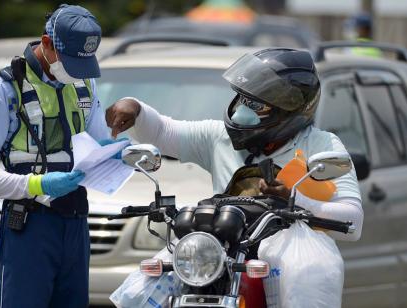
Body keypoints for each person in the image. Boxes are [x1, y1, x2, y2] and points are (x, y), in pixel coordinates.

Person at [106, 48, 364, 242]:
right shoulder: (219, 137)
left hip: (290, 254)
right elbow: (163, 131)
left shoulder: (321, 145)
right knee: (151, 278)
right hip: (218, 251)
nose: (243, 110)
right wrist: (134, 108)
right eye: (243, 99)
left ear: (291, 109)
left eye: (256, 105)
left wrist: (295, 200)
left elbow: (353, 221)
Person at [0, 4, 110, 307]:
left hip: (76, 225)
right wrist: (38, 185)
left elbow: (100, 148)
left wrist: (125, 154)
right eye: (70, 61)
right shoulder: (4, 88)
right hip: (29, 227)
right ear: (46, 44)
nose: (76, 72)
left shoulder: (84, 83)